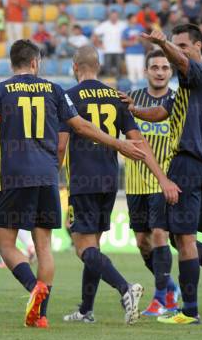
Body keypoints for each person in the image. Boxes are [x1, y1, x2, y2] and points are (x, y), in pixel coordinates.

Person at [0, 39, 150, 329]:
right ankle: (40, 316)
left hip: (15, 177)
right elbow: (80, 126)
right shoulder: (54, 90)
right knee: (45, 248)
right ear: (35, 63)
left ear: (12, 63)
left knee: (6, 244)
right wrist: (119, 143)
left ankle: (33, 289)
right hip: (47, 177)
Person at [121, 24, 202, 324]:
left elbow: (182, 61)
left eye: (183, 45)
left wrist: (163, 43)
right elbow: (162, 112)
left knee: (182, 238)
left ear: (199, 46)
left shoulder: (200, 74)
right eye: (175, 44)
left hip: (189, 164)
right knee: (180, 237)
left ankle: (191, 310)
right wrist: (135, 110)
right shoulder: (188, 89)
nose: (178, 51)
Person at [60, 45, 179, 325]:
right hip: (110, 179)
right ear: (98, 67)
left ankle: (125, 288)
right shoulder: (116, 97)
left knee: (82, 246)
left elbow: (61, 144)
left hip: (83, 179)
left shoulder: (68, 97)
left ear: (75, 67)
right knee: (94, 245)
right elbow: (139, 142)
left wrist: (52, 176)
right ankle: (86, 310)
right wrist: (162, 177)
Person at [123, 49, 180, 316]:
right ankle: (168, 285)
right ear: (146, 71)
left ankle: (161, 298)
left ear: (171, 72)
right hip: (135, 180)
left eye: (164, 68)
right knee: (142, 242)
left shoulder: (178, 100)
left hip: (163, 179)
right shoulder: (131, 99)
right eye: (155, 67)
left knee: (159, 234)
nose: (159, 72)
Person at [0, 138, 36, 268]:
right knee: (13, 219)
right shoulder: (24, 140)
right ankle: (29, 246)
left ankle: (7, 257)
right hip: (22, 186)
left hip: (1, 189)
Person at [93, 10, 126, 77]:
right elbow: (95, 33)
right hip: (107, 50)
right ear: (109, 16)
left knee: (118, 71)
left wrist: (125, 45)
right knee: (107, 71)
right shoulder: (105, 24)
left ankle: (118, 87)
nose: (114, 17)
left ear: (118, 16)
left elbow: (127, 35)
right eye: (112, 16)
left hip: (119, 50)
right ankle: (108, 86)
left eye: (115, 16)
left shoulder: (123, 25)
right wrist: (98, 44)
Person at [122, 13, 146, 83]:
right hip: (129, 53)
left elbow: (145, 40)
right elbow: (123, 43)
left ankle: (141, 88)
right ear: (129, 20)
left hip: (140, 52)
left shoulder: (140, 28)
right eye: (133, 18)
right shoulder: (126, 30)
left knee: (140, 72)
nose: (135, 19)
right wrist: (133, 42)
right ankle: (132, 90)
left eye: (135, 18)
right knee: (131, 72)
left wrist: (140, 39)